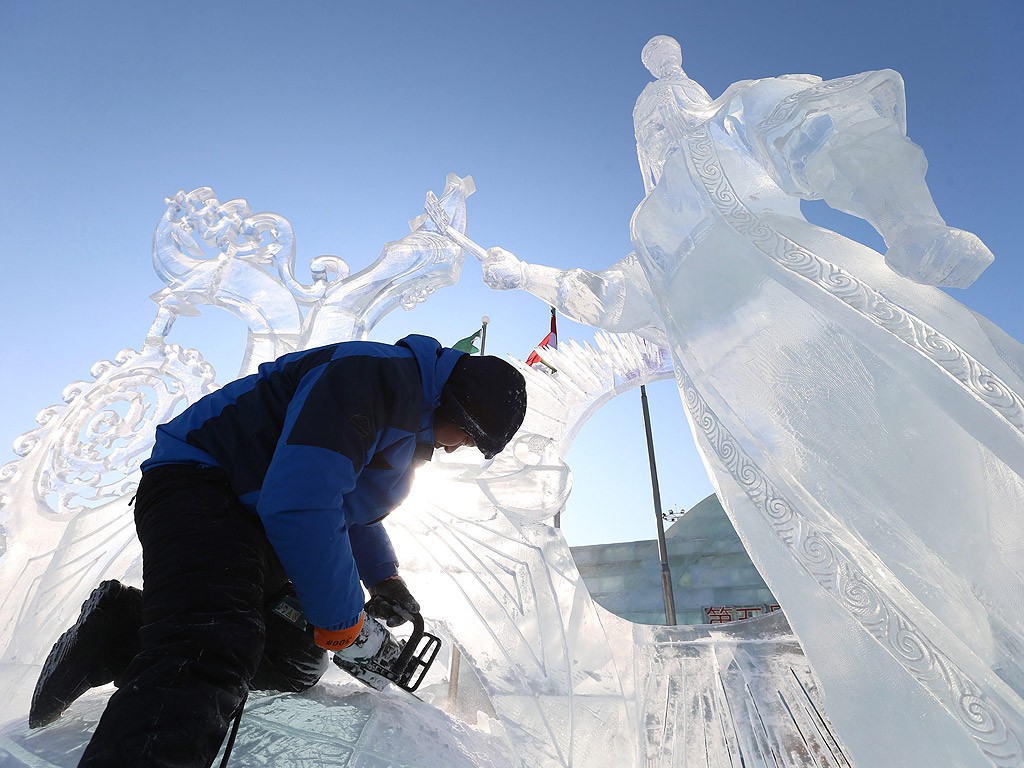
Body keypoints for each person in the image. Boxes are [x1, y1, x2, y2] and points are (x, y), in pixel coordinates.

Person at [28, 333, 527, 767]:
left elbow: (347, 507)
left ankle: (120, 630)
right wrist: (343, 620)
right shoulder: (370, 379)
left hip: (255, 514)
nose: (458, 446)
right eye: (466, 434)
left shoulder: (407, 426)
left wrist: (383, 579)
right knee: (214, 639)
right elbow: (303, 502)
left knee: (296, 656)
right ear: (456, 404)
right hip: (200, 482)